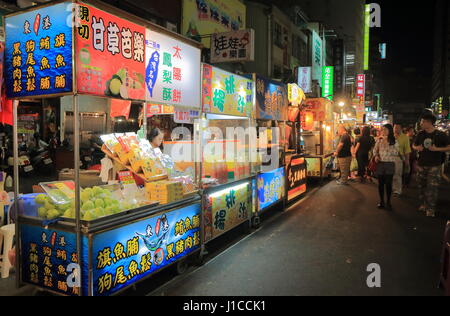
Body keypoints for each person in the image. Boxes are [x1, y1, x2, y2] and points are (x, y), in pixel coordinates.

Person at [412, 113, 450, 217]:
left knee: (432, 188)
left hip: (435, 165)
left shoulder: (440, 135)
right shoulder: (420, 134)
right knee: (421, 186)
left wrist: (437, 149)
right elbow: (414, 145)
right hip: (421, 164)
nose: (420, 124)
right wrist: (417, 148)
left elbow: (448, 147)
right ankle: (424, 204)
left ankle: (431, 208)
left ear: (429, 122)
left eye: (422, 122)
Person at [373, 124, 401, 210]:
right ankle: (382, 201)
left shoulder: (394, 140)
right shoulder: (379, 140)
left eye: (385, 129)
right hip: (380, 164)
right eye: (382, 130)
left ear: (390, 131)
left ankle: (388, 201)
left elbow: (396, 153)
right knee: (380, 184)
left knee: (388, 184)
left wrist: (387, 144)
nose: (383, 131)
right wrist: (376, 156)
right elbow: (375, 150)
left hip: (390, 163)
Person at [393, 124, 411, 196]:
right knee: (390, 174)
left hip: (398, 158)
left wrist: (407, 160)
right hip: (389, 158)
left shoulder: (405, 137)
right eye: (394, 128)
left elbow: (407, 150)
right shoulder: (391, 136)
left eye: (397, 128)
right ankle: (392, 188)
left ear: (401, 129)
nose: (395, 129)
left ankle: (397, 190)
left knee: (397, 175)